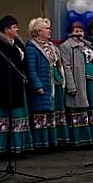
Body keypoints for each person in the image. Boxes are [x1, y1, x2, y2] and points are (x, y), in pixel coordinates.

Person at [60, 21, 93, 145]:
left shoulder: (88, 44)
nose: (79, 33)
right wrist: (71, 85)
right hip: (80, 81)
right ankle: (83, 138)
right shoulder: (66, 46)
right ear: (70, 33)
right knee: (81, 107)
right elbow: (66, 67)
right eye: (76, 31)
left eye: (81, 31)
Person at [0, 15, 34, 155]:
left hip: (18, 85)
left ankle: (18, 147)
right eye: (14, 27)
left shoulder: (17, 42)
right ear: (6, 29)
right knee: (4, 117)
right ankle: (3, 148)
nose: (17, 29)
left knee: (18, 116)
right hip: (3, 86)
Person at [25, 17, 67, 149]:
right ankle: (42, 143)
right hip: (43, 84)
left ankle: (56, 140)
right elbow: (31, 69)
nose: (50, 31)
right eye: (46, 28)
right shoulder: (31, 48)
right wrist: (37, 85)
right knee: (42, 112)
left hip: (56, 83)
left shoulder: (52, 47)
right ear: (38, 31)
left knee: (56, 112)